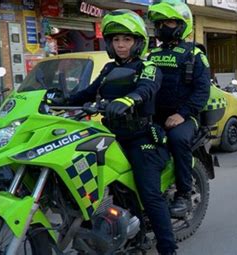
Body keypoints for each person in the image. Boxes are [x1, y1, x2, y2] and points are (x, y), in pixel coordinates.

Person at [60, 9, 177, 255]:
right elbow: (87, 94)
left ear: (137, 43)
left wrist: (129, 100)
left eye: (126, 39)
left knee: (149, 194)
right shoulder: (108, 70)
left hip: (141, 137)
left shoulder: (149, 67)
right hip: (110, 136)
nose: (121, 45)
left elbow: (147, 88)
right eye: (116, 40)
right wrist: (58, 99)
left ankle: (168, 248)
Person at [147, 0, 210, 217]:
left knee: (177, 140)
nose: (164, 27)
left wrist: (182, 114)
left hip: (185, 117)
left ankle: (183, 194)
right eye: (160, 23)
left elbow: (202, 91)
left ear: (183, 25)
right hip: (154, 116)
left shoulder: (195, 55)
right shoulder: (152, 55)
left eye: (170, 22)